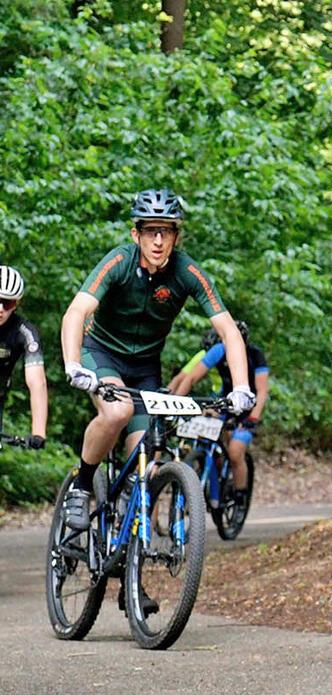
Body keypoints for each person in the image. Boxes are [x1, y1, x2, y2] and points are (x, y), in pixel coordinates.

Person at [59, 189, 255, 613]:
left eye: (166, 232)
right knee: (118, 411)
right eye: (150, 232)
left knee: (145, 460)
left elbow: (228, 331)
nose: (158, 241)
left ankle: (130, 579)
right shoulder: (118, 262)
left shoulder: (187, 272)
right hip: (102, 355)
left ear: (176, 236)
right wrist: (75, 364)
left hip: (145, 367)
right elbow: (76, 313)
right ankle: (80, 487)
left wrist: (241, 388)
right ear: (136, 234)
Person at [169, 320, 270, 504]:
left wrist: (254, 417)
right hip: (226, 401)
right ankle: (211, 466)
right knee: (204, 425)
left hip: (248, 408)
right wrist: (177, 404)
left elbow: (262, 391)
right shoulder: (219, 349)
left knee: (235, 451)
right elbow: (191, 377)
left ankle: (239, 494)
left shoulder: (256, 355)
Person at [0, 266, 48, 448]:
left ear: (16, 304)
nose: (0, 309)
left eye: (7, 303)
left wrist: (38, 432)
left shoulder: (24, 332)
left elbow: (37, 382)